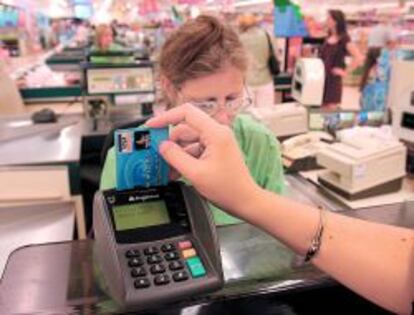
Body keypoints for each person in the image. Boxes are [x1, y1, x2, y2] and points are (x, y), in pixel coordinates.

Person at [145, 104, 414, 315]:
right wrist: (251, 200)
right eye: (206, 101)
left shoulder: (259, 140)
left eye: (232, 98)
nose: (222, 115)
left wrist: (249, 200)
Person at [100, 15, 285, 226]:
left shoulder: (261, 144)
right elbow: (118, 244)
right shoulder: (128, 156)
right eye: (205, 104)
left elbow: (278, 238)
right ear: (169, 87)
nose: (223, 121)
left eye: (233, 99)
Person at [320, 10, 363, 110]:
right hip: (322, 79)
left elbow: (358, 57)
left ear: (336, 21)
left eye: (328, 18)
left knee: (330, 111)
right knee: (320, 111)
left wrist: (345, 72)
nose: (326, 21)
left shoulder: (344, 39)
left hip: (333, 81)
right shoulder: (328, 37)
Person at [238, 13, 276, 107]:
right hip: (266, 80)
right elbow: (275, 54)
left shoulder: (239, 39)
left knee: (248, 116)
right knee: (266, 115)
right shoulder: (267, 35)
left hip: (246, 82)